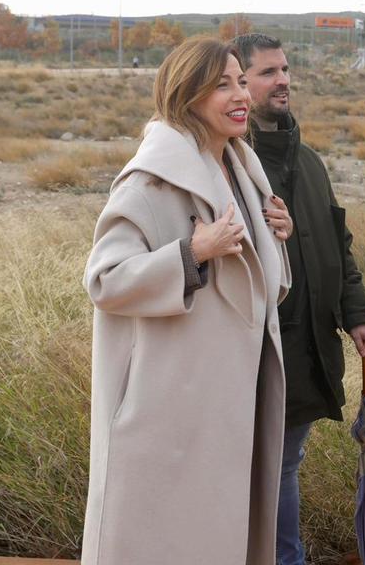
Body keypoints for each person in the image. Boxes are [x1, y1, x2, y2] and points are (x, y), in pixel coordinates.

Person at [81, 36, 293, 565]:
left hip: (227, 405)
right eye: (221, 85)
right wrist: (191, 253)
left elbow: (258, 290)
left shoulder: (242, 172)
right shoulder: (150, 182)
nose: (240, 94)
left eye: (240, 81)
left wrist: (276, 240)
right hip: (169, 411)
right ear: (187, 95)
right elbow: (105, 280)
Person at [232, 32, 365, 565]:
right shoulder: (228, 164)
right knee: (265, 466)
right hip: (254, 352)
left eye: (286, 70)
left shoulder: (310, 163)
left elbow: (337, 245)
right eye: (268, 72)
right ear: (238, 83)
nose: (283, 81)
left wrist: (358, 315)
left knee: (284, 462)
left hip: (309, 347)